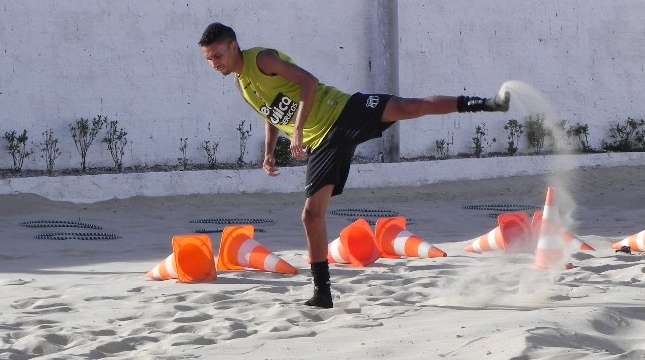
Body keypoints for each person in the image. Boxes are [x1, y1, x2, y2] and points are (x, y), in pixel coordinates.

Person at [198, 22, 510, 308]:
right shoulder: (241, 84)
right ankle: (322, 292)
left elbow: (309, 83)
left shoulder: (262, 59)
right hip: (323, 143)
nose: (214, 64)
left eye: (217, 56)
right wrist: (269, 151)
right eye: (209, 59)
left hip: (343, 110)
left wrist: (295, 131)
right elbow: (271, 113)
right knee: (311, 215)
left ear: (234, 46)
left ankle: (485, 103)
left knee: (408, 107)